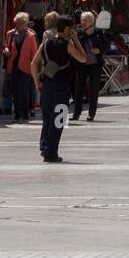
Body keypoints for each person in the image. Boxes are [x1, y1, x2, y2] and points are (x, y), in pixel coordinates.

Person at [35, 15, 86, 163]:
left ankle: (44, 148)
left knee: (47, 119)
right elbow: (83, 58)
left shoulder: (45, 43)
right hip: (62, 87)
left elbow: (33, 64)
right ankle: (51, 153)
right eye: (72, 29)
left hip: (46, 86)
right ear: (68, 29)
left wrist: (37, 81)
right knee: (58, 120)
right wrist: (76, 40)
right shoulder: (67, 45)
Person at [2, 12, 38, 124]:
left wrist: (35, 68)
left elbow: (34, 53)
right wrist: (6, 50)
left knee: (24, 91)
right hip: (13, 66)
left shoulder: (31, 36)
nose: (20, 25)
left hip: (25, 67)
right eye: (18, 23)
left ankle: (25, 114)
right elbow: (6, 46)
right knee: (16, 92)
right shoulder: (10, 34)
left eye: (22, 23)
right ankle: (17, 115)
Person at [72, 11, 107, 122]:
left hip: (95, 64)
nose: (83, 22)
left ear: (92, 22)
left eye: (85, 20)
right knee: (78, 89)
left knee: (93, 89)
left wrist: (99, 50)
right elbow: (77, 43)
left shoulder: (98, 32)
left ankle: (91, 114)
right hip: (82, 64)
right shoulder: (78, 33)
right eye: (82, 20)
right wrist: (86, 33)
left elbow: (105, 45)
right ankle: (76, 114)